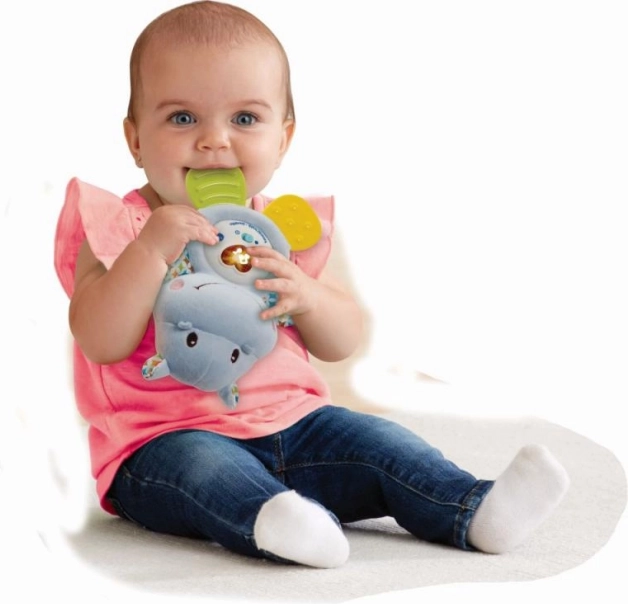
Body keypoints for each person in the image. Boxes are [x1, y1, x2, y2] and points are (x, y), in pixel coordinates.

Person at [54, 0, 570, 569]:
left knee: (376, 442)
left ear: (283, 138)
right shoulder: (120, 227)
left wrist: (306, 293)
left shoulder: (277, 230)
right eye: (181, 118)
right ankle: (275, 520)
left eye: (244, 119)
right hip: (162, 443)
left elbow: (341, 341)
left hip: (295, 425)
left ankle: (471, 507)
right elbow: (100, 339)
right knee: (206, 471)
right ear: (135, 140)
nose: (214, 140)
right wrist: (151, 252)